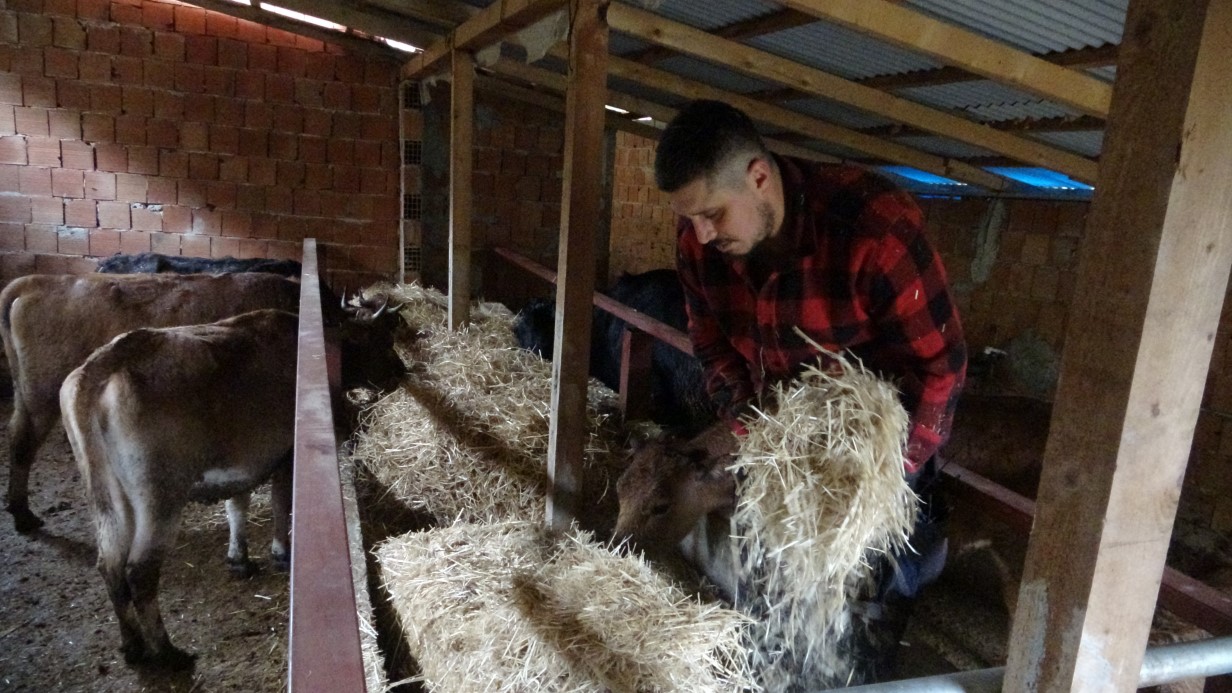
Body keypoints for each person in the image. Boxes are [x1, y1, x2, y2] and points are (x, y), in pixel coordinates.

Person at [653, 99, 967, 681]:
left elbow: (941, 368)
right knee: (767, 609)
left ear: (759, 177)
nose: (700, 233)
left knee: (861, 626)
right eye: (690, 217)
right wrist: (755, 433)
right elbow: (713, 347)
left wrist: (882, 479)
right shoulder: (699, 243)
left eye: (713, 214)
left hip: (871, 459)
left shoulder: (873, 225)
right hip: (781, 456)